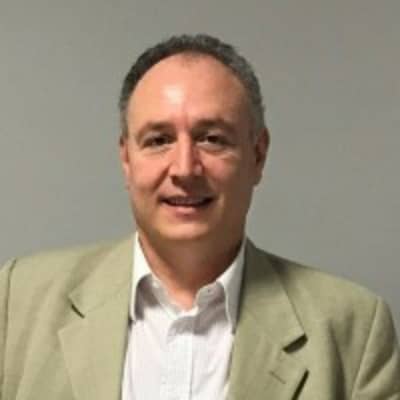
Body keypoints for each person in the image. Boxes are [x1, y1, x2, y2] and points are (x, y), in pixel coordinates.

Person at [0, 34, 399, 400]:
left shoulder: (353, 329)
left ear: (258, 155)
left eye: (211, 139)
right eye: (159, 140)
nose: (185, 169)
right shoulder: (17, 302)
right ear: (126, 159)